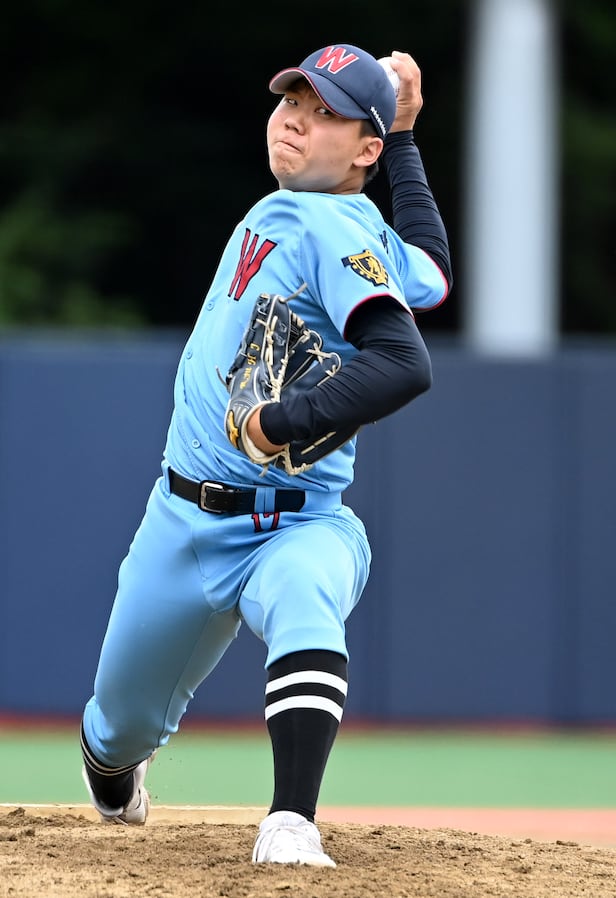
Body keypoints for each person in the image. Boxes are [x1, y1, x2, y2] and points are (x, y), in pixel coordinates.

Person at [80, 43, 452, 867]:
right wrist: (407, 137)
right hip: (182, 522)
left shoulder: (329, 227)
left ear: (362, 150)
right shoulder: (329, 217)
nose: (296, 120)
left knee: (305, 595)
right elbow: (429, 267)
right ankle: (117, 763)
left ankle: (291, 821)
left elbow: (404, 362)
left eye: (327, 114)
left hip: (297, 522)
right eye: (293, 101)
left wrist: (284, 421)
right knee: (113, 738)